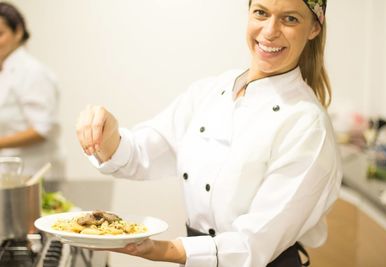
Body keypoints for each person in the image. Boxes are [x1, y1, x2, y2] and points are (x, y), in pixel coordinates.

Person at [76, 0, 342, 266]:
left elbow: (254, 243)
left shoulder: (307, 125)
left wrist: (159, 250)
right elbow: (140, 154)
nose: (270, 31)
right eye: (261, 13)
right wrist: (106, 135)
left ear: (314, 28)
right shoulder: (212, 91)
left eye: (290, 19)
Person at [0, 2, 63, 180]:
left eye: (0, 34)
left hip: (34, 173)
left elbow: (42, 129)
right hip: (12, 173)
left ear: (18, 31)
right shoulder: (6, 71)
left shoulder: (32, 72)